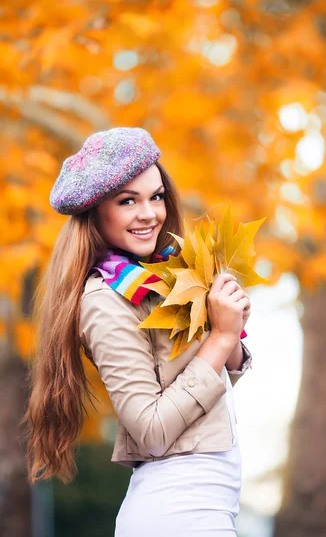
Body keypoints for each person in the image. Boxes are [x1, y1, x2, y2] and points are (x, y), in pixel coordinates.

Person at [24, 127, 253, 536]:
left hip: (206, 507)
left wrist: (231, 325)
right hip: (177, 512)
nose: (149, 214)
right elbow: (149, 431)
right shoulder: (104, 299)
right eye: (128, 201)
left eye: (156, 196)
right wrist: (218, 338)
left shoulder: (162, 277)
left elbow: (212, 381)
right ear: (94, 211)